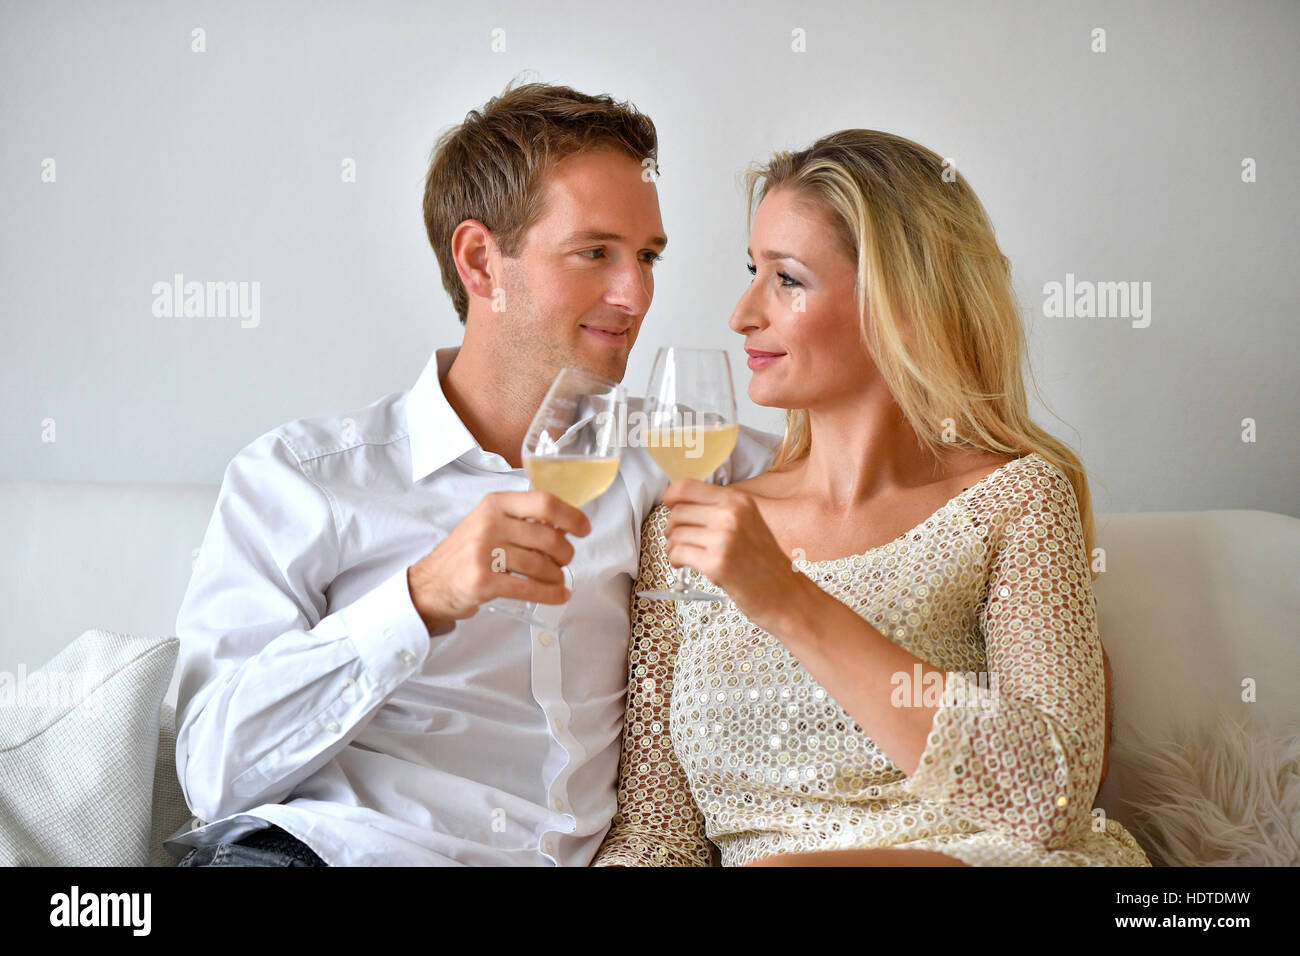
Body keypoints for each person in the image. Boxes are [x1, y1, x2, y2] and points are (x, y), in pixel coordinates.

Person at [166, 80, 779, 867]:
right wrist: (421, 598)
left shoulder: (676, 453)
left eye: (648, 257)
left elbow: (873, 475)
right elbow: (212, 776)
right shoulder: (301, 478)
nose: (636, 295)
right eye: (595, 252)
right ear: (481, 261)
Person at [592, 129, 1151, 867]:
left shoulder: (1015, 501)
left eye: (786, 279)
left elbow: (1049, 796)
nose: (742, 313)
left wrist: (787, 599)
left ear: (898, 303)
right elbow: (655, 834)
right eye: (752, 270)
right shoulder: (692, 531)